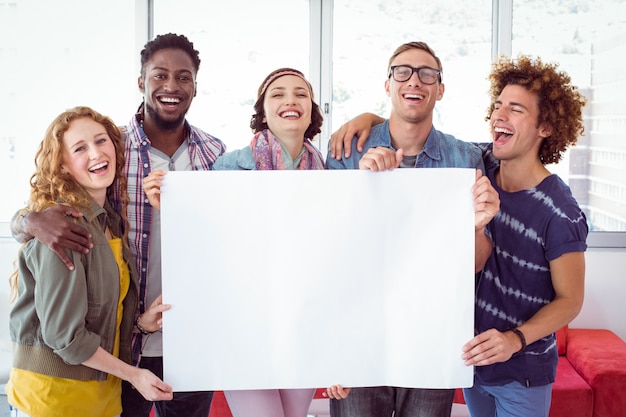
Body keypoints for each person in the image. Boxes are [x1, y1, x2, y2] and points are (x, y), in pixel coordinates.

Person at [10, 33, 227, 417]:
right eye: (159, 75)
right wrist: (29, 220)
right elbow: (47, 209)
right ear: (141, 82)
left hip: (192, 336)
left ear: (196, 85)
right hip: (121, 350)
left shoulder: (214, 153)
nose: (172, 87)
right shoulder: (112, 148)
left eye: (184, 77)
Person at [322, 41, 500, 417]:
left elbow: (475, 263)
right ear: (387, 85)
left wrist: (478, 227)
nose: (413, 80)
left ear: (440, 88)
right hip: (360, 332)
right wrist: (363, 185)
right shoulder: (347, 151)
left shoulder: (466, 158)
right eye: (402, 71)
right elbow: (332, 253)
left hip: (432, 334)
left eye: (427, 73)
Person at [142, 67, 325, 417]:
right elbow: (207, 240)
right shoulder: (228, 168)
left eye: (301, 94)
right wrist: (173, 206)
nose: (290, 100)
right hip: (242, 325)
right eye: (278, 94)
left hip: (302, 324)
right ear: (263, 110)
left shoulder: (329, 172)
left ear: (312, 109)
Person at [5, 106, 173, 417]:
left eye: (101, 141)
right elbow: (65, 337)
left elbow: (99, 317)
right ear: (64, 166)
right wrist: (135, 374)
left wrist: (140, 324)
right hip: (53, 402)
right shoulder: (64, 228)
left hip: (100, 401)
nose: (96, 153)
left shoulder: (108, 222)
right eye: (80, 148)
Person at [457, 55, 588, 417]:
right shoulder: (478, 163)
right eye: (498, 106)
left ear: (545, 126)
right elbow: (427, 137)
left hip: (522, 373)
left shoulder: (560, 210)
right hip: (471, 364)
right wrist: (370, 120)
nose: (499, 115)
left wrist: (514, 340)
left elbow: (570, 300)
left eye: (515, 109)